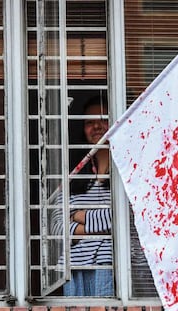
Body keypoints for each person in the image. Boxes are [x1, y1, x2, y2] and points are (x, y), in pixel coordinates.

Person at [50, 94, 114, 297]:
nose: (96, 126)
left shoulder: (127, 171)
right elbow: (57, 227)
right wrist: (102, 230)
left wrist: (78, 215)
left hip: (113, 266)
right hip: (76, 267)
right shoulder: (73, 176)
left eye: (102, 119)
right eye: (89, 122)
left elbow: (124, 219)